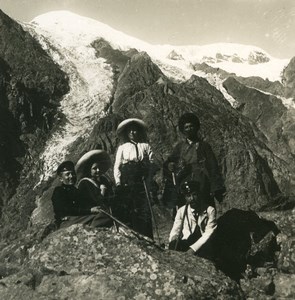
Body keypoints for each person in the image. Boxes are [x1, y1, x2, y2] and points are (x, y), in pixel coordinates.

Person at [163, 112, 225, 212]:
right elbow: (169, 162)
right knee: (184, 208)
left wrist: (215, 187)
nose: (189, 129)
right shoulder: (179, 147)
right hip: (184, 181)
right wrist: (170, 165)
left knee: (204, 208)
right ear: (183, 130)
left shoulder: (204, 146)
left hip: (202, 182)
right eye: (186, 127)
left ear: (196, 127)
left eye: (191, 126)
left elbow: (213, 167)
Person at [113, 118, 156, 239]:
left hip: (142, 182)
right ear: (127, 133)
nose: (132, 133)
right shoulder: (122, 147)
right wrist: (118, 182)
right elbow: (117, 166)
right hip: (128, 181)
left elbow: (152, 163)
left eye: (135, 130)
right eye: (130, 131)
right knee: (131, 209)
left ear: (139, 132)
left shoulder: (145, 146)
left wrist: (147, 172)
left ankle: (148, 237)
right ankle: (135, 237)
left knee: (144, 209)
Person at [51, 160, 111, 228]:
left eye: (73, 173)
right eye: (67, 174)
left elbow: (86, 204)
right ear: (61, 179)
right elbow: (65, 210)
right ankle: (90, 229)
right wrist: (90, 210)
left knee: (104, 214)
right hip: (67, 221)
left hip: (79, 219)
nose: (71, 176)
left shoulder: (76, 191)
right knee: (103, 217)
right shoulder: (59, 191)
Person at [168, 181, 217, 257]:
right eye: (188, 196)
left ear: (199, 195)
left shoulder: (210, 210)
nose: (192, 198)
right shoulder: (181, 211)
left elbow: (208, 233)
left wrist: (193, 249)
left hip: (202, 244)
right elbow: (176, 229)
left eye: (194, 195)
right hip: (187, 241)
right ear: (185, 197)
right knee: (173, 245)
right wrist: (173, 238)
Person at [75, 149, 114, 228]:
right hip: (94, 214)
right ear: (89, 170)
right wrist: (102, 191)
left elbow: (111, 195)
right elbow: (97, 202)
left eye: (99, 167)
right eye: (94, 168)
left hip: (107, 209)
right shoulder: (84, 183)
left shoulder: (103, 179)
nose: (98, 170)